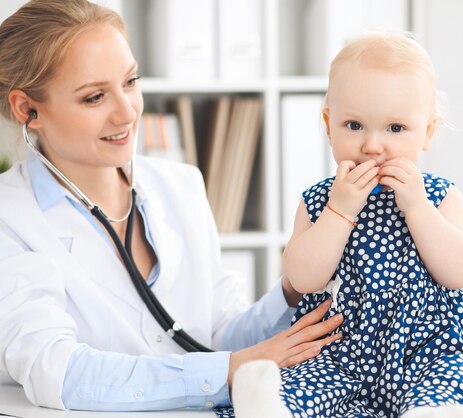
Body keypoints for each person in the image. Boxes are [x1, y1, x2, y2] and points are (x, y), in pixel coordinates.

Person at [0, 0, 343, 415]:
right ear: (27, 109)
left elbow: (217, 336)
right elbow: (55, 372)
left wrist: (292, 289)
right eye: (94, 97)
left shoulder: (180, 186)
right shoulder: (11, 216)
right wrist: (228, 371)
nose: (127, 112)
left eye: (130, 81)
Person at [277, 33, 463, 417]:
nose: (373, 145)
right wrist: (339, 211)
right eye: (354, 125)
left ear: (427, 132)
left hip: (432, 347)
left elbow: (459, 273)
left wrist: (417, 207)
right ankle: (270, 407)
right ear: (329, 125)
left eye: (395, 129)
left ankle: (436, 410)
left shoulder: (439, 196)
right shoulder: (319, 200)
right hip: (341, 351)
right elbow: (303, 278)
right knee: (296, 384)